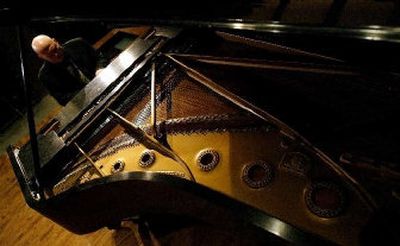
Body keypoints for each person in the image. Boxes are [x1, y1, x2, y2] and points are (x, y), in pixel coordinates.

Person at [31, 34, 106, 106]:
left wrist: (99, 68)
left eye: (54, 49)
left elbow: (100, 57)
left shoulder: (78, 44)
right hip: (87, 101)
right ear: (41, 57)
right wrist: (86, 92)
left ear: (55, 41)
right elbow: (62, 99)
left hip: (104, 81)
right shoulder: (45, 75)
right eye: (50, 55)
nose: (56, 55)